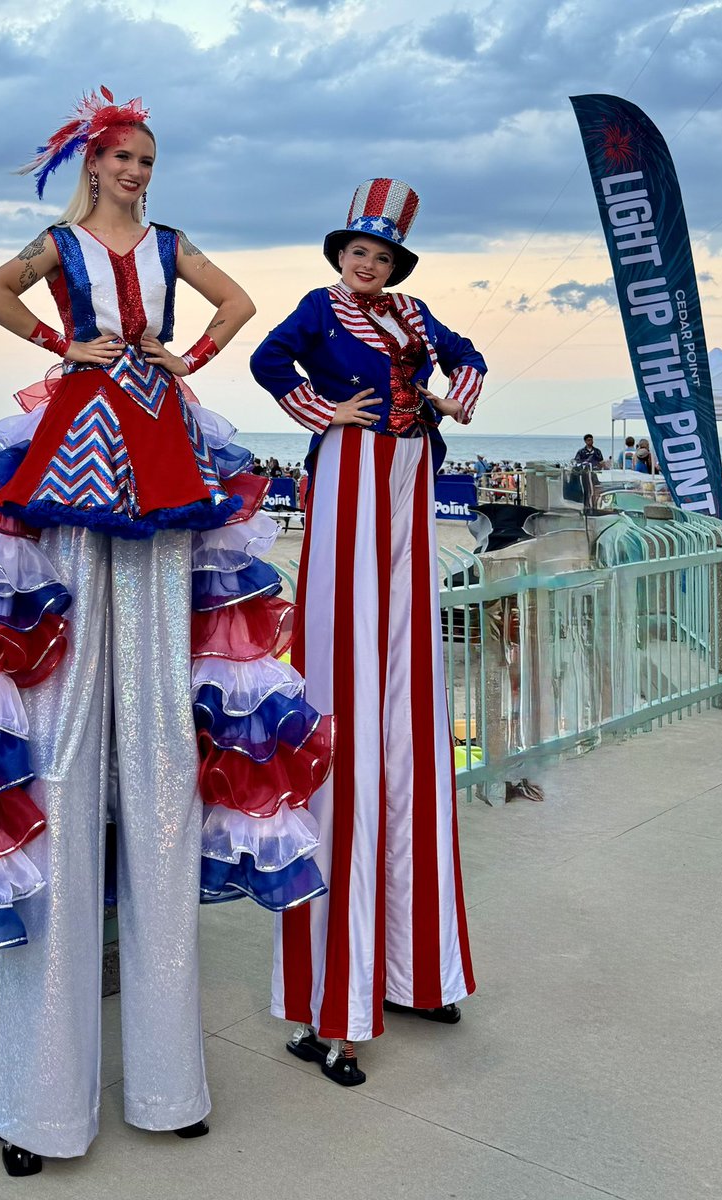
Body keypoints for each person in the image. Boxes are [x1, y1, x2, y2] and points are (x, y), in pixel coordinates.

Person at [0, 88, 330, 1175]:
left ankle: (169, 1089)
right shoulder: (59, 242)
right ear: (94, 161)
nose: (138, 172)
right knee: (63, 749)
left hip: (163, 442)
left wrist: (188, 356)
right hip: (77, 439)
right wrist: (60, 342)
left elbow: (238, 304)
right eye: (126, 158)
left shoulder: (171, 244)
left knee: (165, 747)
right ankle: (38, 1107)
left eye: (149, 160)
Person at [250, 178, 482, 1085]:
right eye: (358, 251)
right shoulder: (320, 308)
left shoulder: (414, 315)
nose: (368, 264)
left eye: (381, 256)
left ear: (395, 264)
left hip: (410, 470)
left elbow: (469, 359)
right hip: (349, 466)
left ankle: (413, 971)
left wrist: (452, 400)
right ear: (341, 254)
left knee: (407, 697)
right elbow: (271, 360)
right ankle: (333, 998)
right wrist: (324, 412)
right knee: (344, 686)